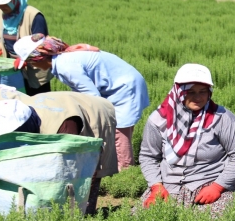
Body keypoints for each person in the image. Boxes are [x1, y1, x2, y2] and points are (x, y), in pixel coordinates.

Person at [0, 71, 118, 215]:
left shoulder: (61, 129)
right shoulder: (2, 101)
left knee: (83, 168)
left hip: (86, 111)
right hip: (57, 107)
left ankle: (81, 214)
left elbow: (67, 167)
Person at [13, 34, 150, 172]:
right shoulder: (61, 59)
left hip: (124, 88)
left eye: (30, 63)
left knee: (119, 131)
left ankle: (125, 171)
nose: (32, 66)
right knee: (111, 129)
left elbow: (93, 98)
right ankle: (111, 164)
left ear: (38, 58)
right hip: (117, 85)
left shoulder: (65, 66)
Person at [138, 63, 235, 216]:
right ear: (178, 92)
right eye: (190, 92)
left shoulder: (223, 118)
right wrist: (156, 186)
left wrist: (218, 187)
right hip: (168, 187)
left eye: (203, 91)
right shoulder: (159, 119)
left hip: (209, 186)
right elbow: (148, 156)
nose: (197, 97)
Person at [0, 0, 52, 95]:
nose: (1, 6)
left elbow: (41, 46)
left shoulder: (34, 16)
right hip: (13, 69)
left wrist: (24, 58)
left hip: (33, 71)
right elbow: (2, 39)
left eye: (4, 3)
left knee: (37, 103)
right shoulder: (1, 12)